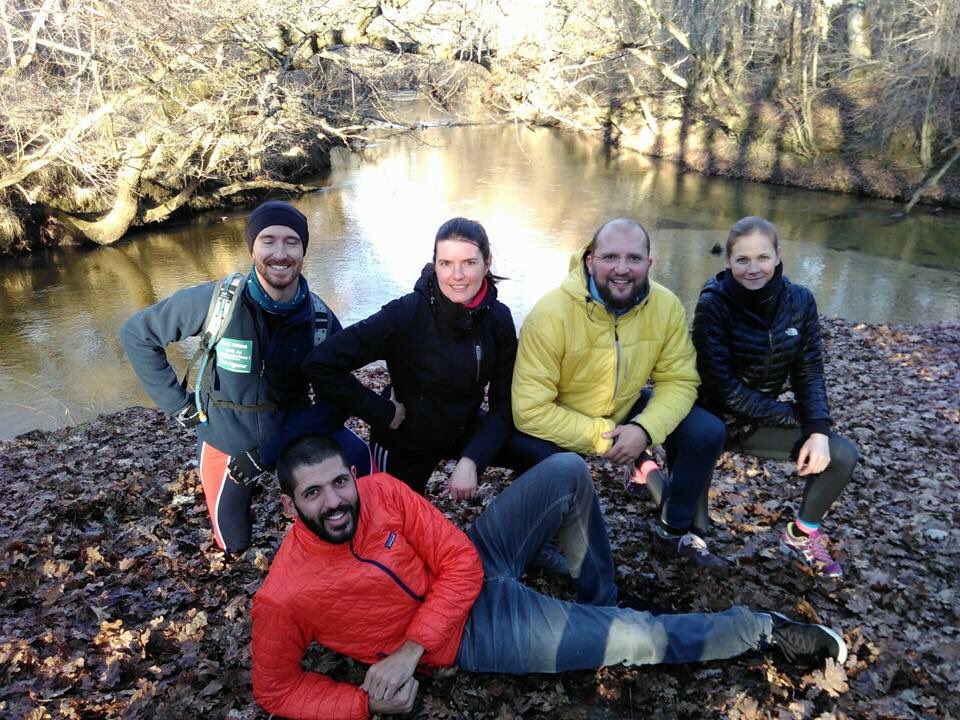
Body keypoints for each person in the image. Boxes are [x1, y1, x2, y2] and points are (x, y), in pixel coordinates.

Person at [251, 433, 847, 719]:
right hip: (475, 635)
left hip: (472, 569)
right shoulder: (284, 596)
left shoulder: (381, 491)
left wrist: (409, 648)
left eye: (339, 482)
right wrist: (363, 705)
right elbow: (274, 689)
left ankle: (599, 595)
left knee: (565, 469)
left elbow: (458, 560)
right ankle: (759, 629)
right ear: (288, 506)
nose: (335, 501)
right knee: (636, 640)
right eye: (313, 493)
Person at [120, 199, 371, 553]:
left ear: (303, 250)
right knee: (233, 544)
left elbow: (337, 401)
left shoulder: (320, 319)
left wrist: (267, 454)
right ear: (252, 247)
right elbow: (137, 334)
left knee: (363, 463)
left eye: (291, 242)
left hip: (292, 433)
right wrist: (178, 405)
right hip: (226, 434)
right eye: (268, 241)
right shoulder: (216, 303)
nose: (280, 254)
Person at [511, 218, 727, 567]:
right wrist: (605, 439)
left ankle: (672, 530)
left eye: (634, 258)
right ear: (589, 260)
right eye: (610, 257)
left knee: (707, 431)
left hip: (625, 404)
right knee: (545, 458)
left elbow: (680, 380)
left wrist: (643, 431)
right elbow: (530, 409)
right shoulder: (550, 314)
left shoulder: (666, 306)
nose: (622, 269)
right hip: (564, 414)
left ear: (649, 263)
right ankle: (541, 530)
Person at [302, 217, 532, 499]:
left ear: (487, 263)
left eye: (469, 263)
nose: (456, 275)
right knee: (398, 525)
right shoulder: (406, 314)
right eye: (446, 263)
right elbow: (320, 363)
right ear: (435, 264)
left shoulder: (498, 319)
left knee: (550, 458)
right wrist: (381, 411)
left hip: (463, 428)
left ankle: (523, 526)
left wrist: (472, 459)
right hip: (405, 440)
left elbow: (504, 405)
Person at [691, 216, 857, 577]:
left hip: (758, 422)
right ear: (727, 261)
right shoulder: (712, 304)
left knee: (841, 454)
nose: (754, 269)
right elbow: (721, 386)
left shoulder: (800, 301)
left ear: (779, 254)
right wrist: (791, 416)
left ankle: (800, 535)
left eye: (763, 257)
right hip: (705, 421)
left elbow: (808, 371)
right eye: (742, 260)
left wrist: (817, 428)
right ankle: (645, 469)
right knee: (688, 528)